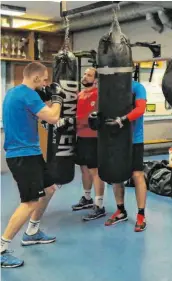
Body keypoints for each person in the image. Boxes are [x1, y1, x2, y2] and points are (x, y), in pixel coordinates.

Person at [1, 62, 65, 268]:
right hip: (23, 155)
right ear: (36, 78)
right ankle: (1, 248)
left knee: (49, 189)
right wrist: (58, 98)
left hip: (31, 152)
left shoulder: (14, 93)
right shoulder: (27, 94)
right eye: (45, 79)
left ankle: (32, 232)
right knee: (29, 201)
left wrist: (47, 100)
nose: (46, 82)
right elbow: (54, 117)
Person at [95, 80, 148, 232]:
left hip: (134, 139)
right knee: (116, 175)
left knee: (137, 174)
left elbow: (140, 109)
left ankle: (141, 215)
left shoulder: (137, 87)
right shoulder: (109, 88)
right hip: (115, 139)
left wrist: (123, 120)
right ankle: (121, 210)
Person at [71, 67, 106, 221]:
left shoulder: (99, 95)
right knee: (84, 168)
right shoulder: (79, 94)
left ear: (96, 79)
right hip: (81, 137)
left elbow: (94, 117)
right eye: (84, 74)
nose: (85, 76)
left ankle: (99, 205)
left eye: (89, 75)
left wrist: (77, 121)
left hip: (94, 138)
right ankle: (87, 198)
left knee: (95, 171)